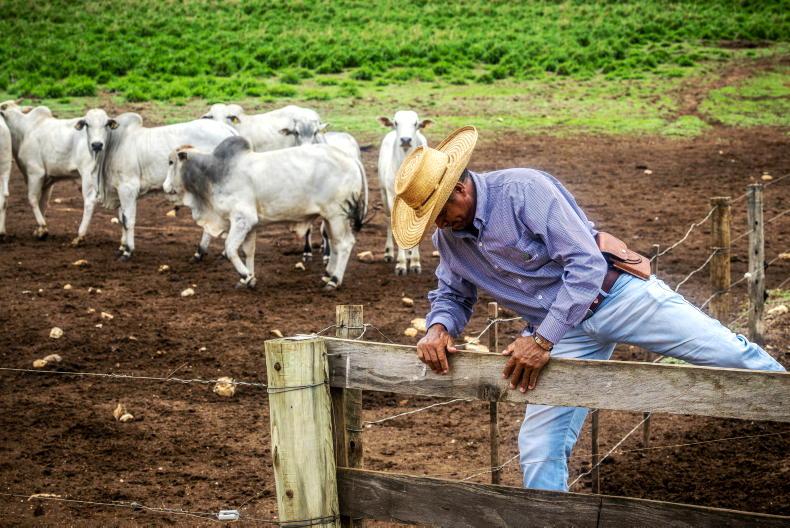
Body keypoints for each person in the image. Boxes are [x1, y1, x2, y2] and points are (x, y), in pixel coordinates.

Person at [391, 125, 785, 492]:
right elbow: (453, 294)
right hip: (562, 330)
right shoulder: (449, 239)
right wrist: (438, 328)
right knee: (539, 446)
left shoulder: (523, 190)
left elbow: (586, 264)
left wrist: (541, 340)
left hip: (615, 297)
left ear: (460, 190)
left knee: (731, 356)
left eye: (439, 213)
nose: (438, 225)